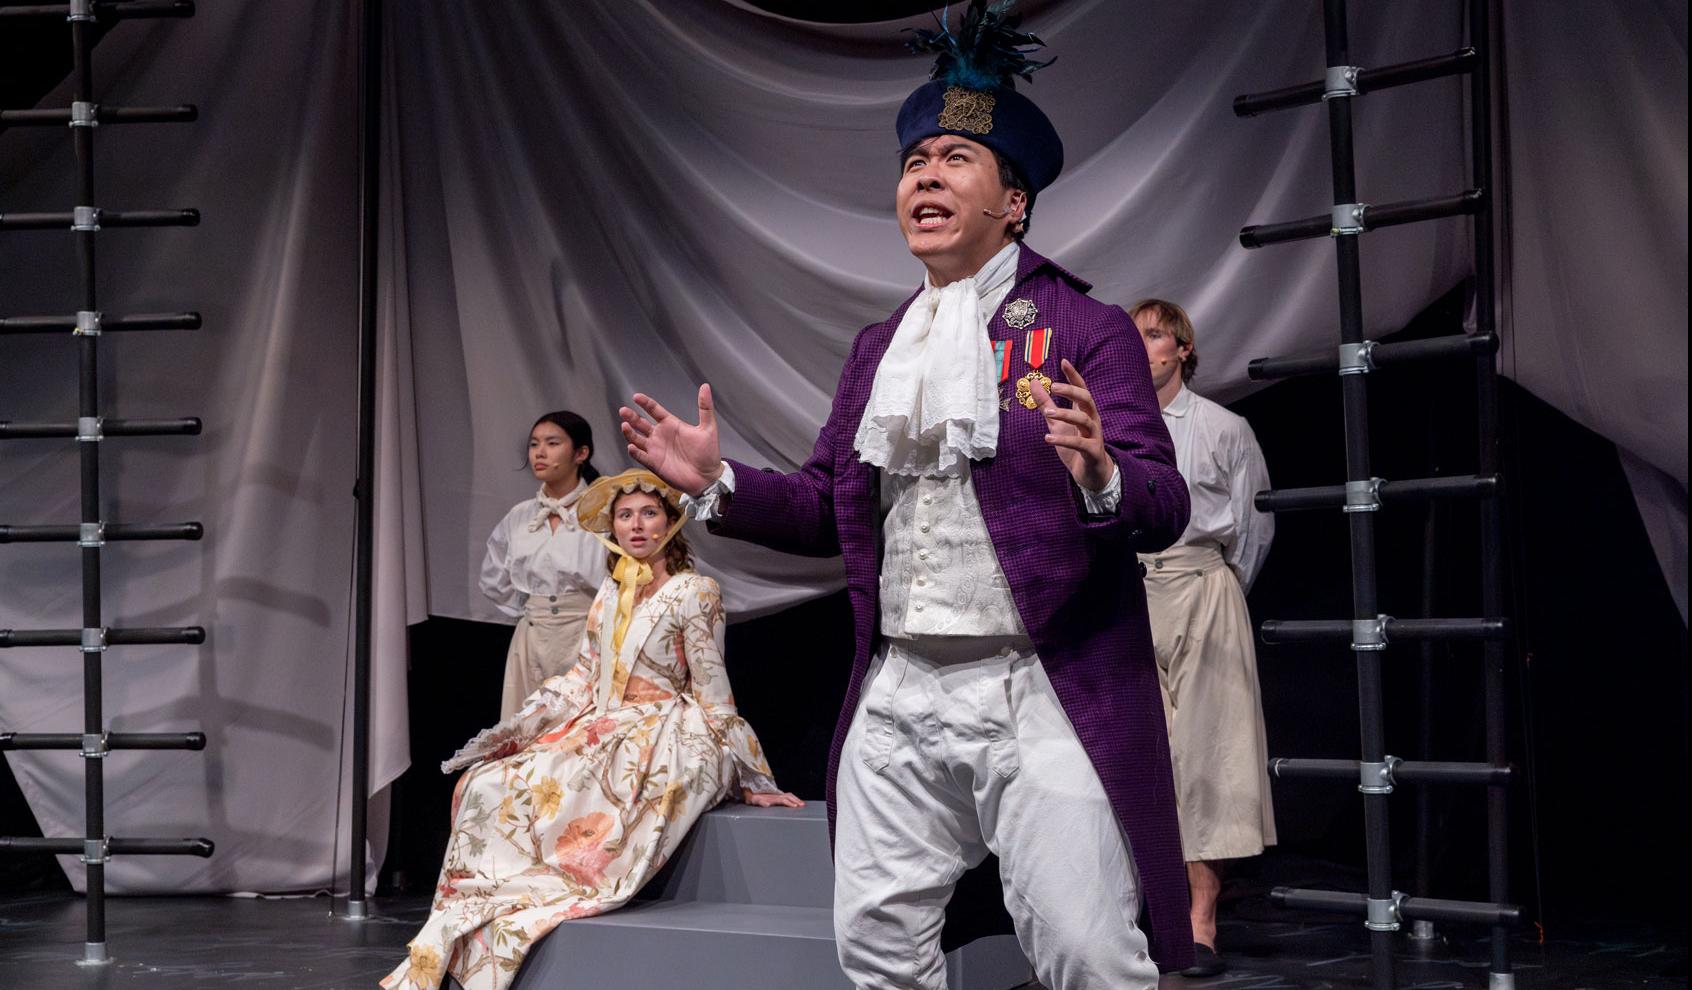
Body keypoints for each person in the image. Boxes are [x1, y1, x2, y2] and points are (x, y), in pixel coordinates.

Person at [616, 3, 1195, 984]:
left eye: (955, 159)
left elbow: (1164, 501)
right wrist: (716, 481)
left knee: (1086, 947)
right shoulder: (879, 351)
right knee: (875, 949)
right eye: (913, 159)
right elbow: (820, 509)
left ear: (1014, 203)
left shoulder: (1084, 330)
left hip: (1039, 680)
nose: (924, 172)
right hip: (902, 684)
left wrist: (1101, 473)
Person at [382, 468, 803, 990]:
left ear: (671, 523)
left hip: (662, 724)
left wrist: (753, 775)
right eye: (625, 516)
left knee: (603, 790)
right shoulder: (610, 591)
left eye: (649, 513)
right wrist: (521, 728)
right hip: (601, 719)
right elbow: (584, 674)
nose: (636, 525)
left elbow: (713, 686)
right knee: (490, 783)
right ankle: (474, 914)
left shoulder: (695, 592)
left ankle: (548, 892)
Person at [1131, 298, 1277, 978]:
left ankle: (1199, 918)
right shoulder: (1114, 429)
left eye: (1155, 335)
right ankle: (1136, 910)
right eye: (1132, 335)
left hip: (1202, 586)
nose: (1142, 345)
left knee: (1207, 753)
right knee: (1139, 754)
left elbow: (1252, 529)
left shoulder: (1223, 427)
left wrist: (1217, 593)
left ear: (1183, 349)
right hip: (1127, 594)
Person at [479, 411, 609, 719]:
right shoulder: (521, 516)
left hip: (586, 637)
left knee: (581, 733)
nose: (540, 452)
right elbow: (493, 580)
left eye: (552, 443)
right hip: (533, 639)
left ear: (581, 453)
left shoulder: (603, 512)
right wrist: (534, 609)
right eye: (534, 444)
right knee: (528, 732)